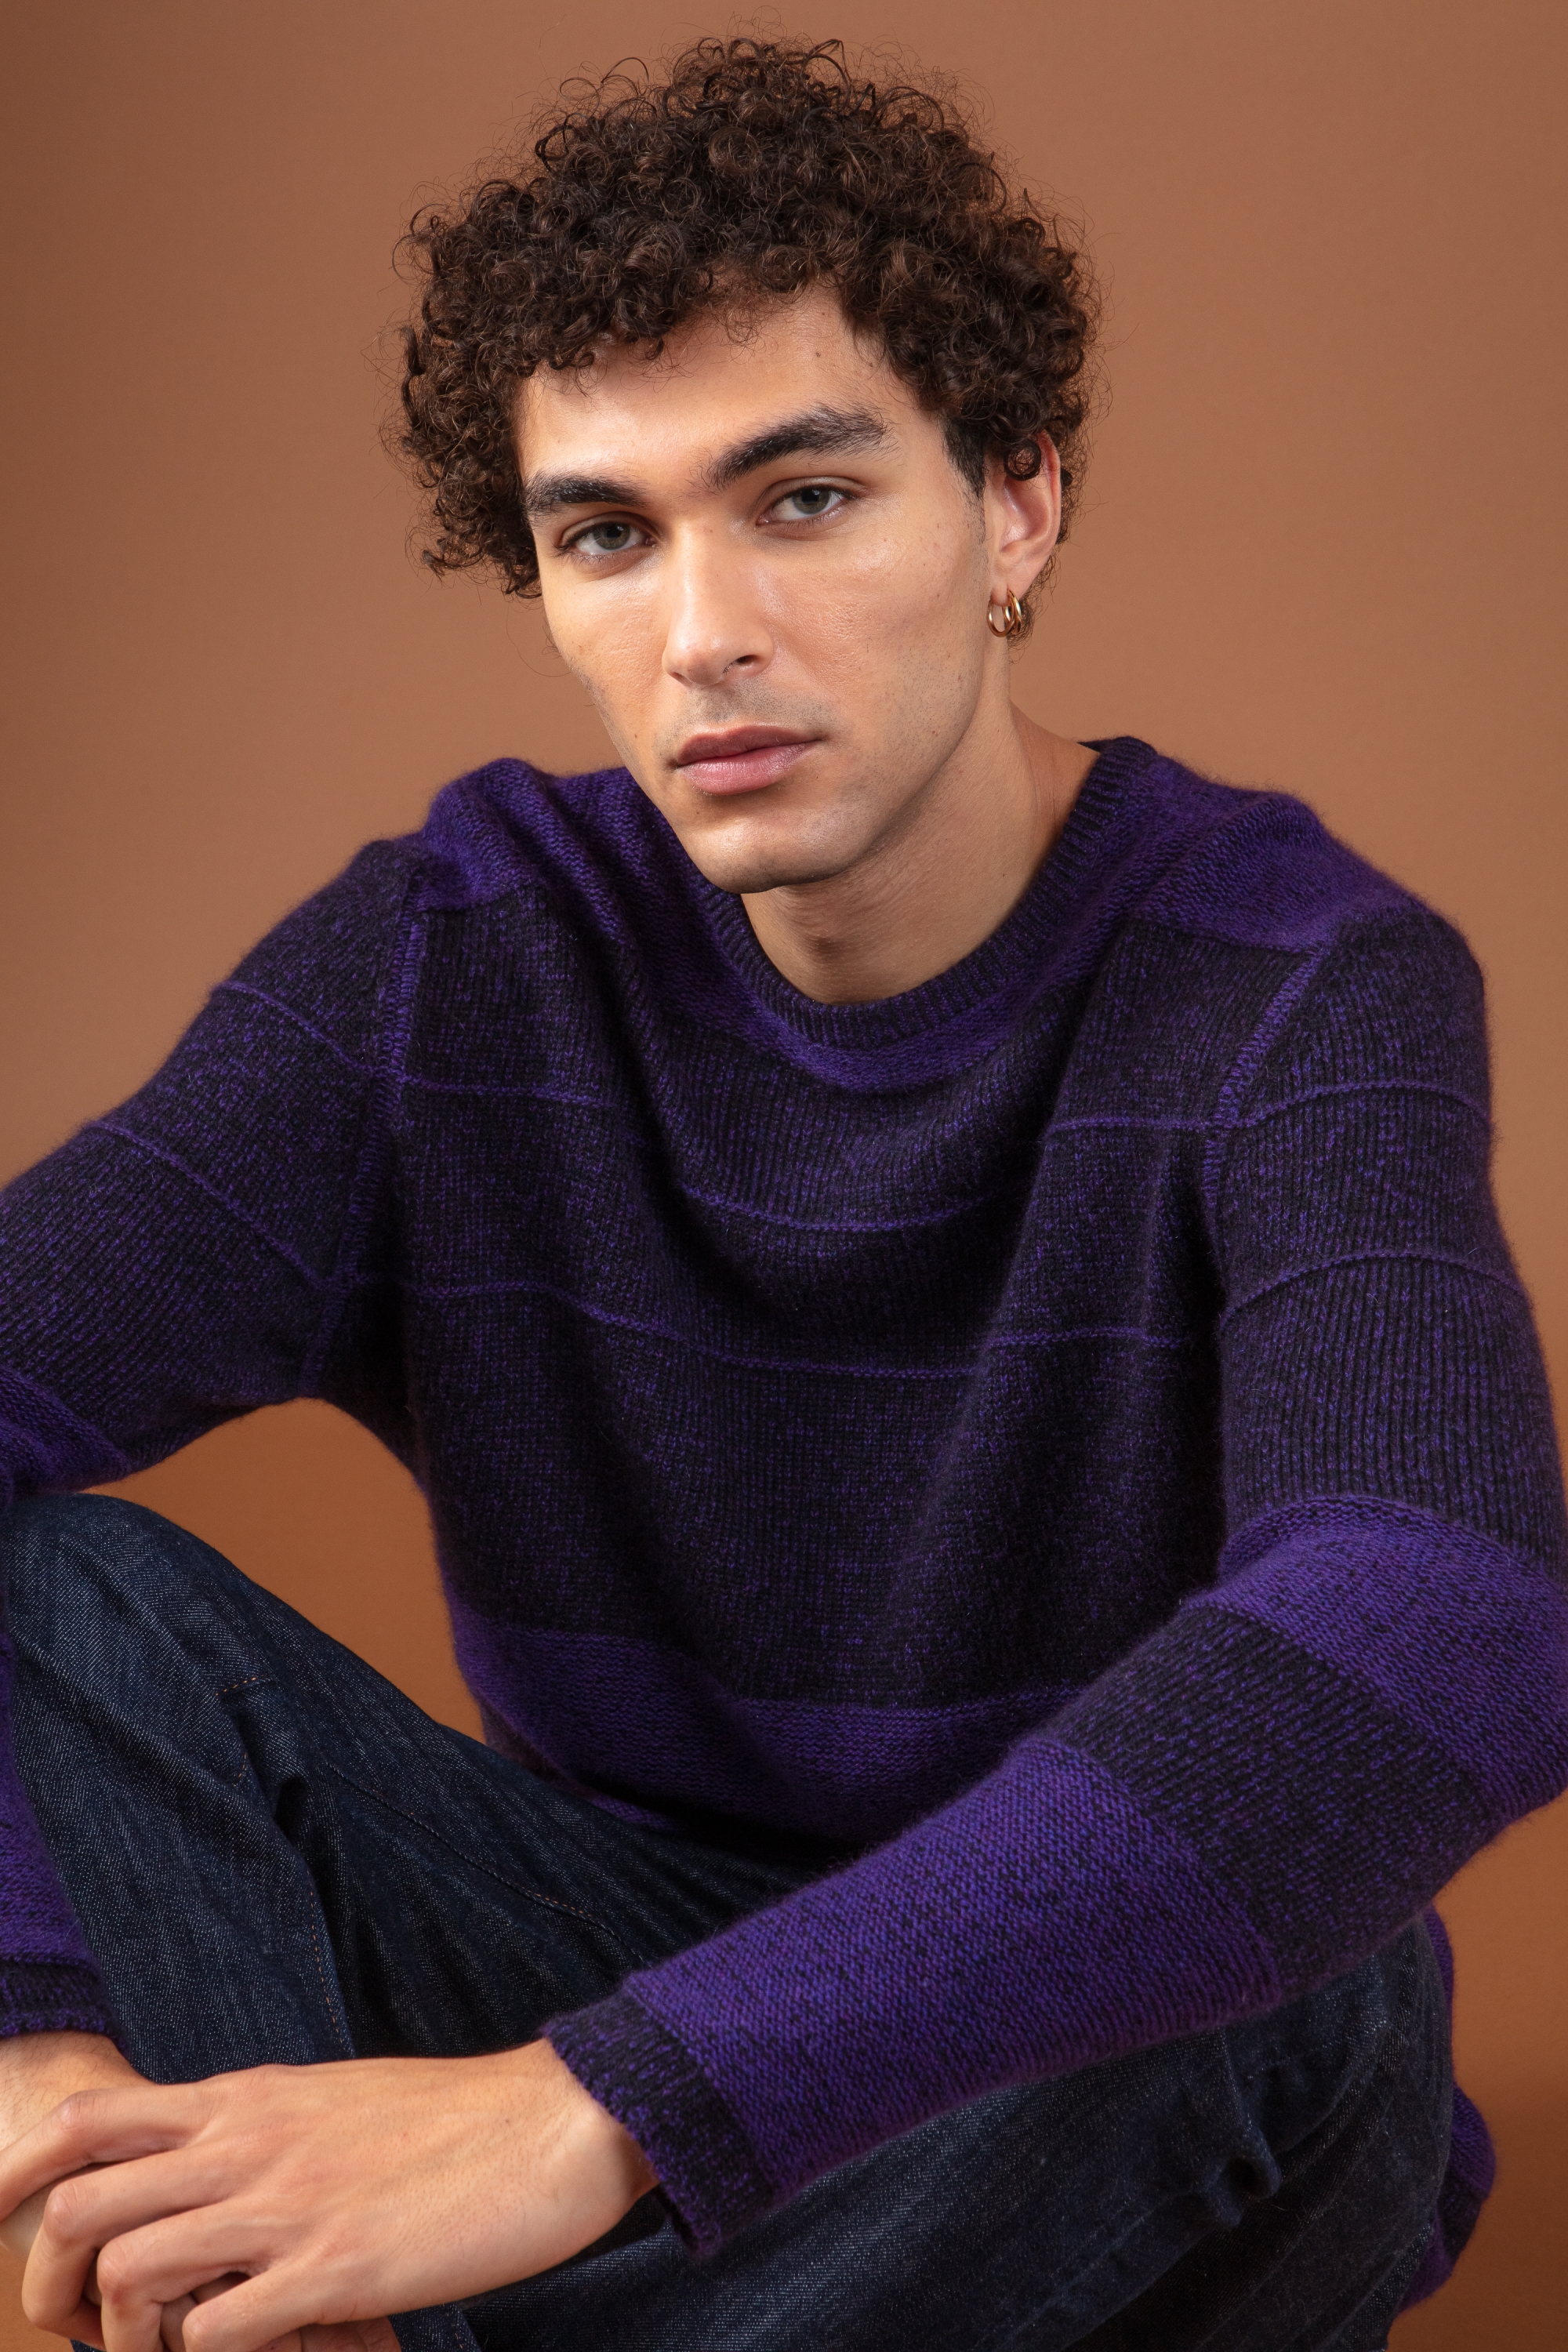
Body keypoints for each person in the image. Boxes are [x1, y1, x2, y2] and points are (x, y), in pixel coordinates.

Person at [0, 33, 1563, 2352]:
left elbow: (1457, 1613)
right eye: (606, 535)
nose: (701, 630)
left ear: (1016, 505)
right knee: (69, 1597)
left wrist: (585, 2111)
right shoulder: (460, 958)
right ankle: (272, 2264)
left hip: (1070, 2085)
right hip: (595, 1951)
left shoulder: (1292, 979)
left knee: (1305, 1960)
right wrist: (41, 2062)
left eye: (805, 498)